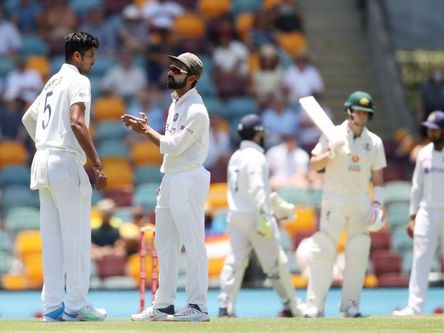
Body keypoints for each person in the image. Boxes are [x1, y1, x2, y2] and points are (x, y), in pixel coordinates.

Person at [21, 32, 108, 322]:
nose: (93, 62)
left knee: (53, 239)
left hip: (43, 160)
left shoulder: (52, 81)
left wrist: (45, 141)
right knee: (77, 237)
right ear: (76, 56)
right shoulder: (78, 80)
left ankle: (52, 307)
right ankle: (76, 306)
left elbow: (28, 118)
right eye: (90, 56)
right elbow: (76, 121)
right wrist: (96, 163)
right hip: (64, 161)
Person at [122, 52, 211, 322]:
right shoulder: (176, 104)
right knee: (166, 245)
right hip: (172, 178)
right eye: (171, 67)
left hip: (189, 178)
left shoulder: (197, 110)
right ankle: (163, 305)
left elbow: (172, 145)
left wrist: (145, 132)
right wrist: (166, 179)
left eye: (178, 70)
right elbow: (170, 150)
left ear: (192, 78)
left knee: (193, 245)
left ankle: (197, 307)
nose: (171, 72)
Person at [304, 91, 386, 318]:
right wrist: (331, 152)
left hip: (360, 199)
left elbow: (378, 178)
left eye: (366, 112)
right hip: (334, 198)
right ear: (350, 111)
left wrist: (378, 204)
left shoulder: (375, 142)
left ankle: (351, 304)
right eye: (358, 111)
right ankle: (314, 305)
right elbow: (314, 165)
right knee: (323, 251)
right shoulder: (332, 135)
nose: (362, 115)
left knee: (358, 252)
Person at [218, 114, 302, 318]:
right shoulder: (256, 157)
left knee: (234, 262)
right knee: (276, 264)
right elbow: (257, 190)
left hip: (237, 216)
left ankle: (225, 306)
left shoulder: (236, 156)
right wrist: (266, 217)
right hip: (256, 217)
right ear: (257, 135)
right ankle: (292, 306)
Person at [393, 111, 444, 316]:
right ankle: (414, 307)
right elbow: (416, 186)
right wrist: (412, 217)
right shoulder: (423, 153)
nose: (431, 131)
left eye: (435, 128)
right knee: (420, 258)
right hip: (427, 211)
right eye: (429, 128)